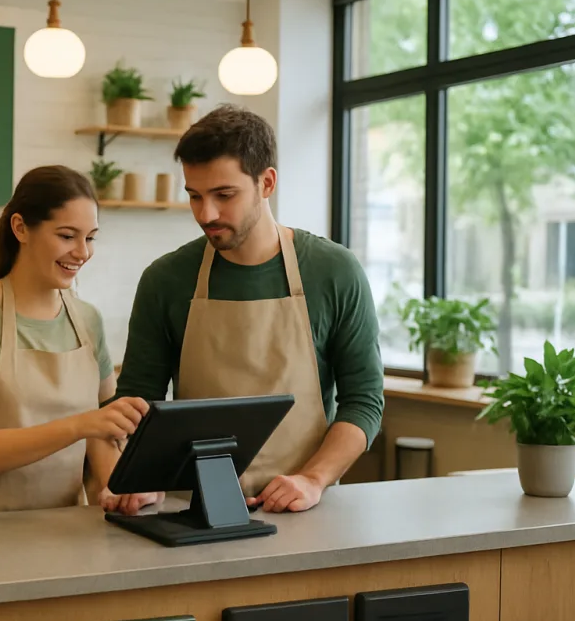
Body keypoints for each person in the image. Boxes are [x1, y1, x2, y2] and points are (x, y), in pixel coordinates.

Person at [105, 104, 384, 515]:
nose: (206, 214)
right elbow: (137, 402)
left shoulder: (334, 272)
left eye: (224, 195)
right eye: (195, 196)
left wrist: (313, 479)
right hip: (194, 512)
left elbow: (364, 399)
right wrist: (142, 479)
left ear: (266, 182)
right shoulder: (165, 280)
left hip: (305, 508)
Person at [0, 165, 155, 516]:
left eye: (90, 237)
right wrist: (81, 423)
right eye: (67, 236)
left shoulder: (87, 320)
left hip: (62, 532)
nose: (83, 252)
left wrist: (123, 487)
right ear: (20, 228)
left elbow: (103, 437)